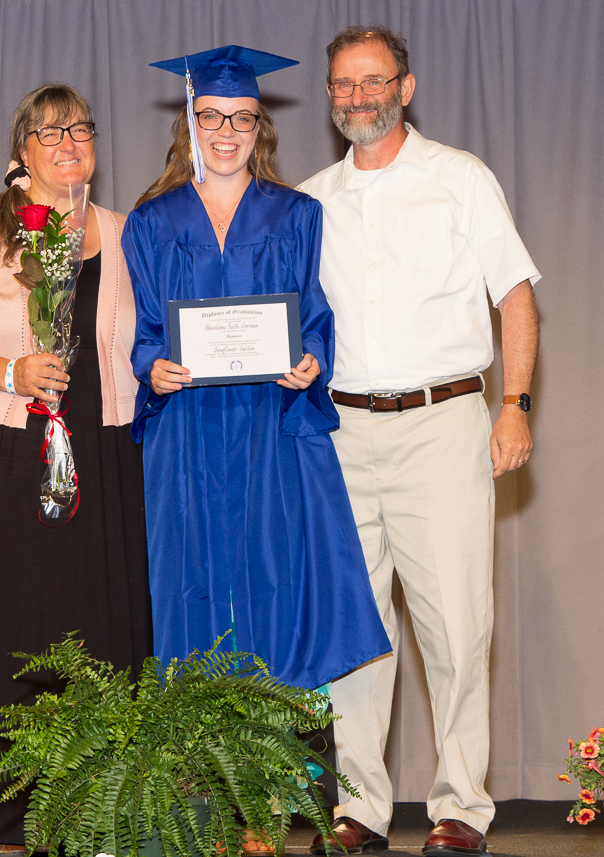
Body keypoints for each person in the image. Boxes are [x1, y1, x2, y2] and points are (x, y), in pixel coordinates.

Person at [299, 26, 540, 857]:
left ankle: (461, 809)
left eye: (373, 81)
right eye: (341, 83)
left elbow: (515, 297)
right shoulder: (310, 199)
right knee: (355, 629)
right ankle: (360, 807)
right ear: (329, 95)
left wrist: (516, 403)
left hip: (443, 425)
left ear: (405, 87)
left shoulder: (460, 179)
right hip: (340, 430)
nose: (356, 95)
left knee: (457, 625)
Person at [0, 83, 151, 850]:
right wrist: (13, 372)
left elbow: (141, 347)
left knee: (98, 633)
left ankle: (93, 814)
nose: (69, 142)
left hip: (101, 455)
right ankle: (9, 824)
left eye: (81, 128)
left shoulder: (123, 233)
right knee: (2, 638)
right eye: (49, 132)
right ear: (22, 152)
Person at [123, 45, 390, 721]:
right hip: (186, 428)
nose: (225, 133)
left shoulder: (295, 215)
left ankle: (267, 794)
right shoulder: (151, 222)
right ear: (190, 121)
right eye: (211, 116)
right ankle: (198, 782)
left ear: (259, 127)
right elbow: (147, 328)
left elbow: (315, 316)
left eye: (241, 119)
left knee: (275, 581)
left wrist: (310, 361)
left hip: (269, 422)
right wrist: (152, 365)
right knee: (191, 585)